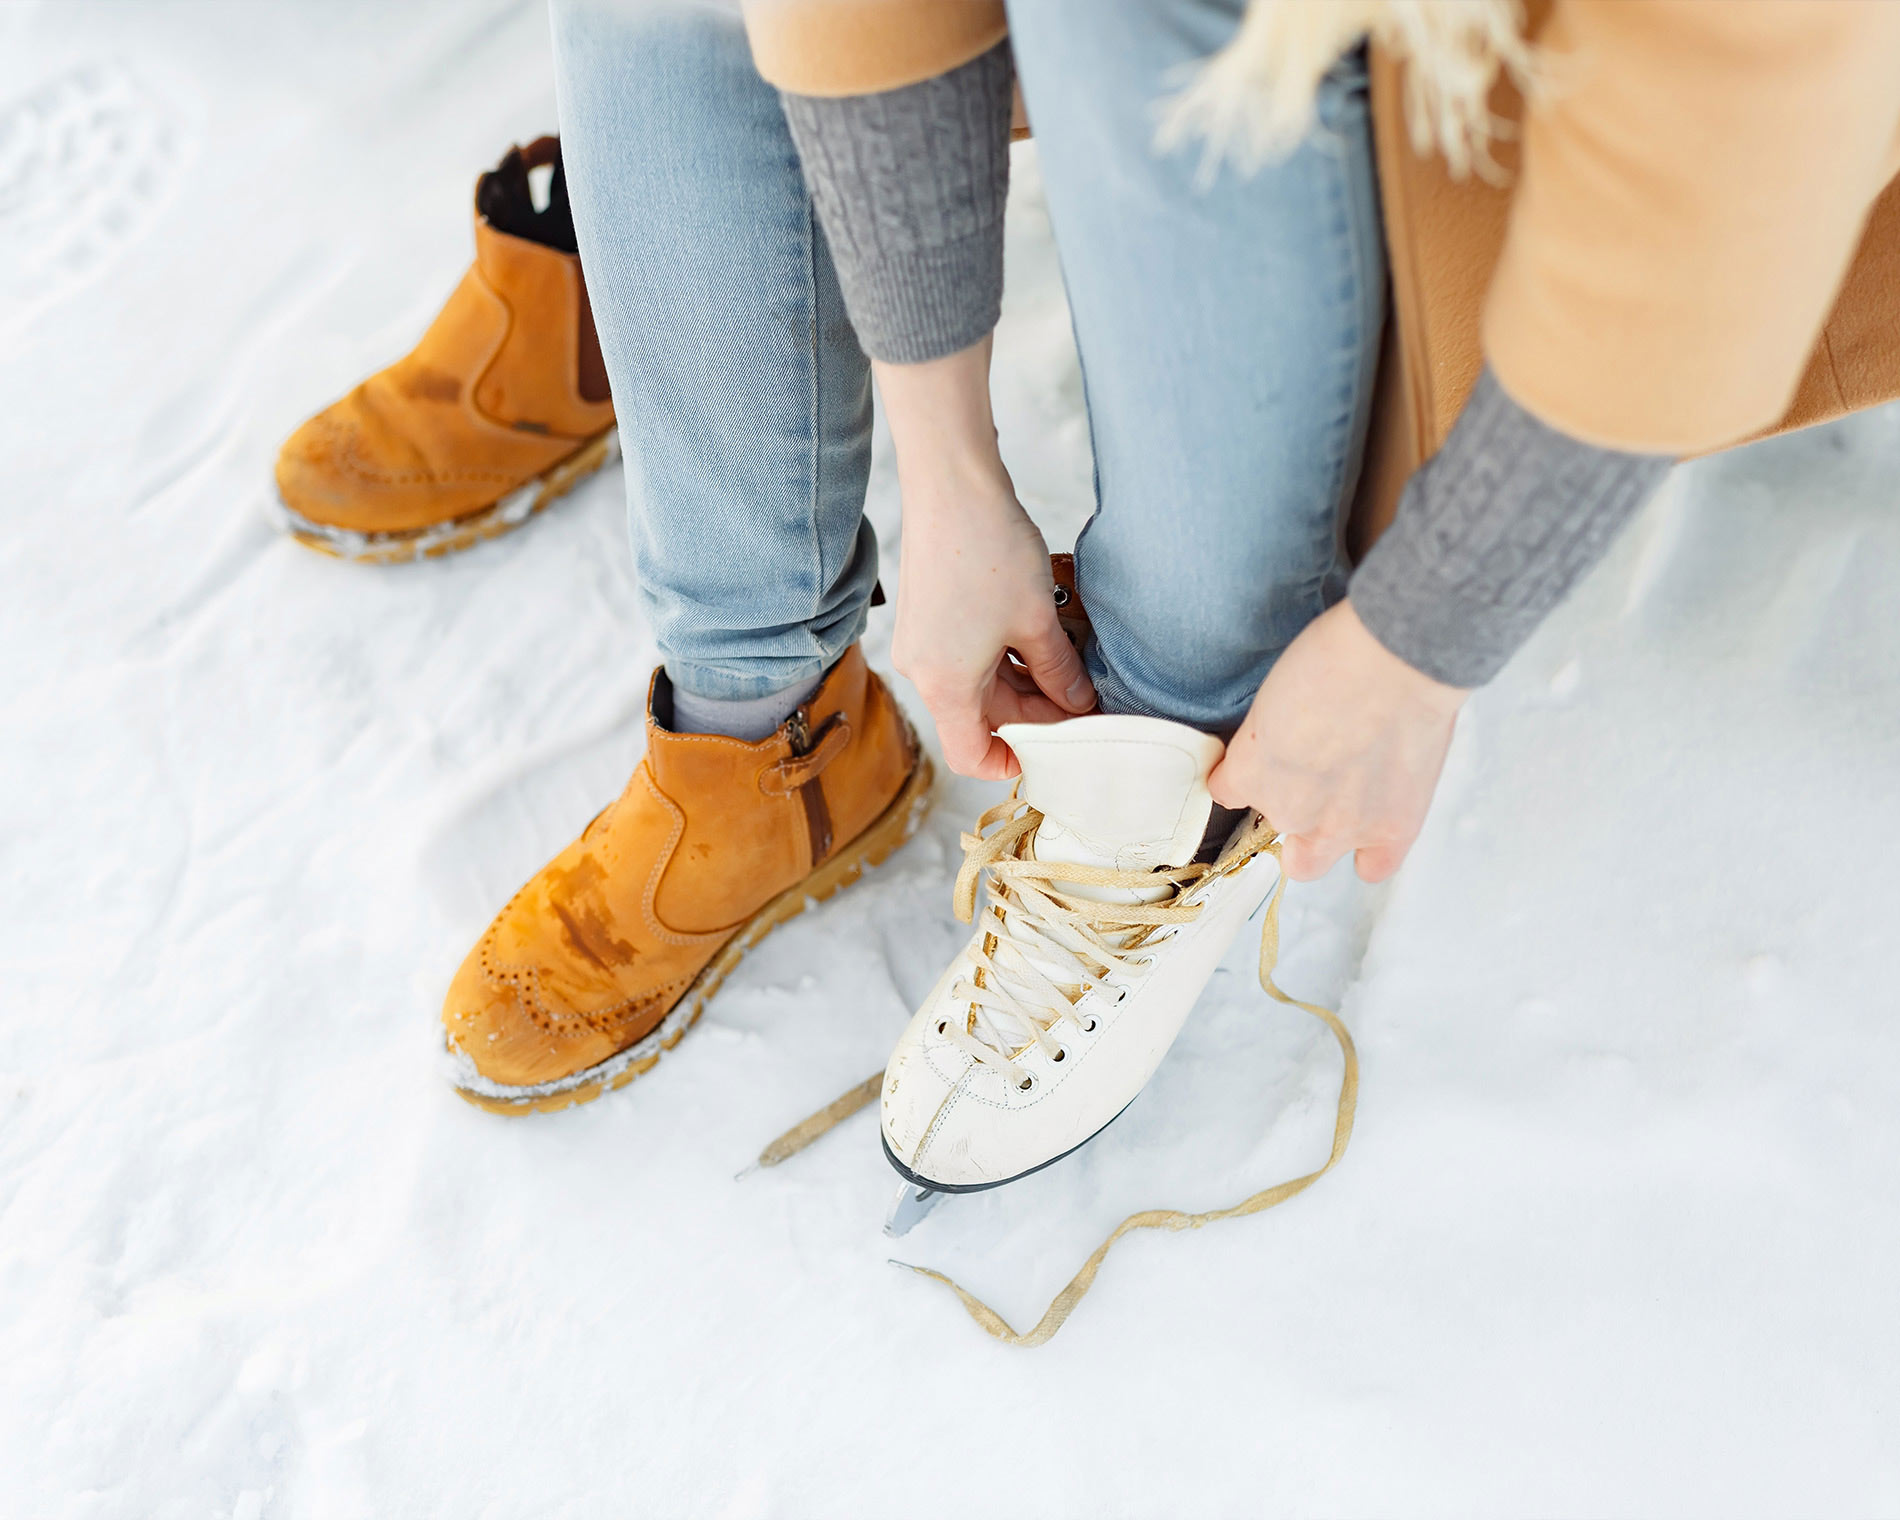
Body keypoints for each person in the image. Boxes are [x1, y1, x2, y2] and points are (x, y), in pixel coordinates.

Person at [276, 0, 1900, 1196]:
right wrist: (949, 456)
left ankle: (1172, 754)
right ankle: (757, 723)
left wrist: (1416, 646)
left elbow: (1713, 183)